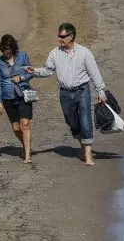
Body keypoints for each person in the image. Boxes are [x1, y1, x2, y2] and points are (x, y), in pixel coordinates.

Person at [24, 23, 108, 166]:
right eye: (59, 36)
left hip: (82, 91)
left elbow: (94, 73)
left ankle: (88, 155)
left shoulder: (84, 52)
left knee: (86, 121)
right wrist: (34, 71)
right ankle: (82, 144)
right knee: (72, 123)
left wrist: (101, 90)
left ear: (71, 36)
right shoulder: (55, 53)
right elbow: (48, 70)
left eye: (63, 36)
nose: (60, 39)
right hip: (65, 93)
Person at [0, 34, 35, 163]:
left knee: (25, 124)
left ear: (13, 47)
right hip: (8, 98)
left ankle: (28, 156)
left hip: (23, 93)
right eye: (4, 49)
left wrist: (21, 78)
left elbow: (31, 73)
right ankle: (25, 144)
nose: (6, 52)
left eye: (8, 49)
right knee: (16, 128)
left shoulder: (22, 56)